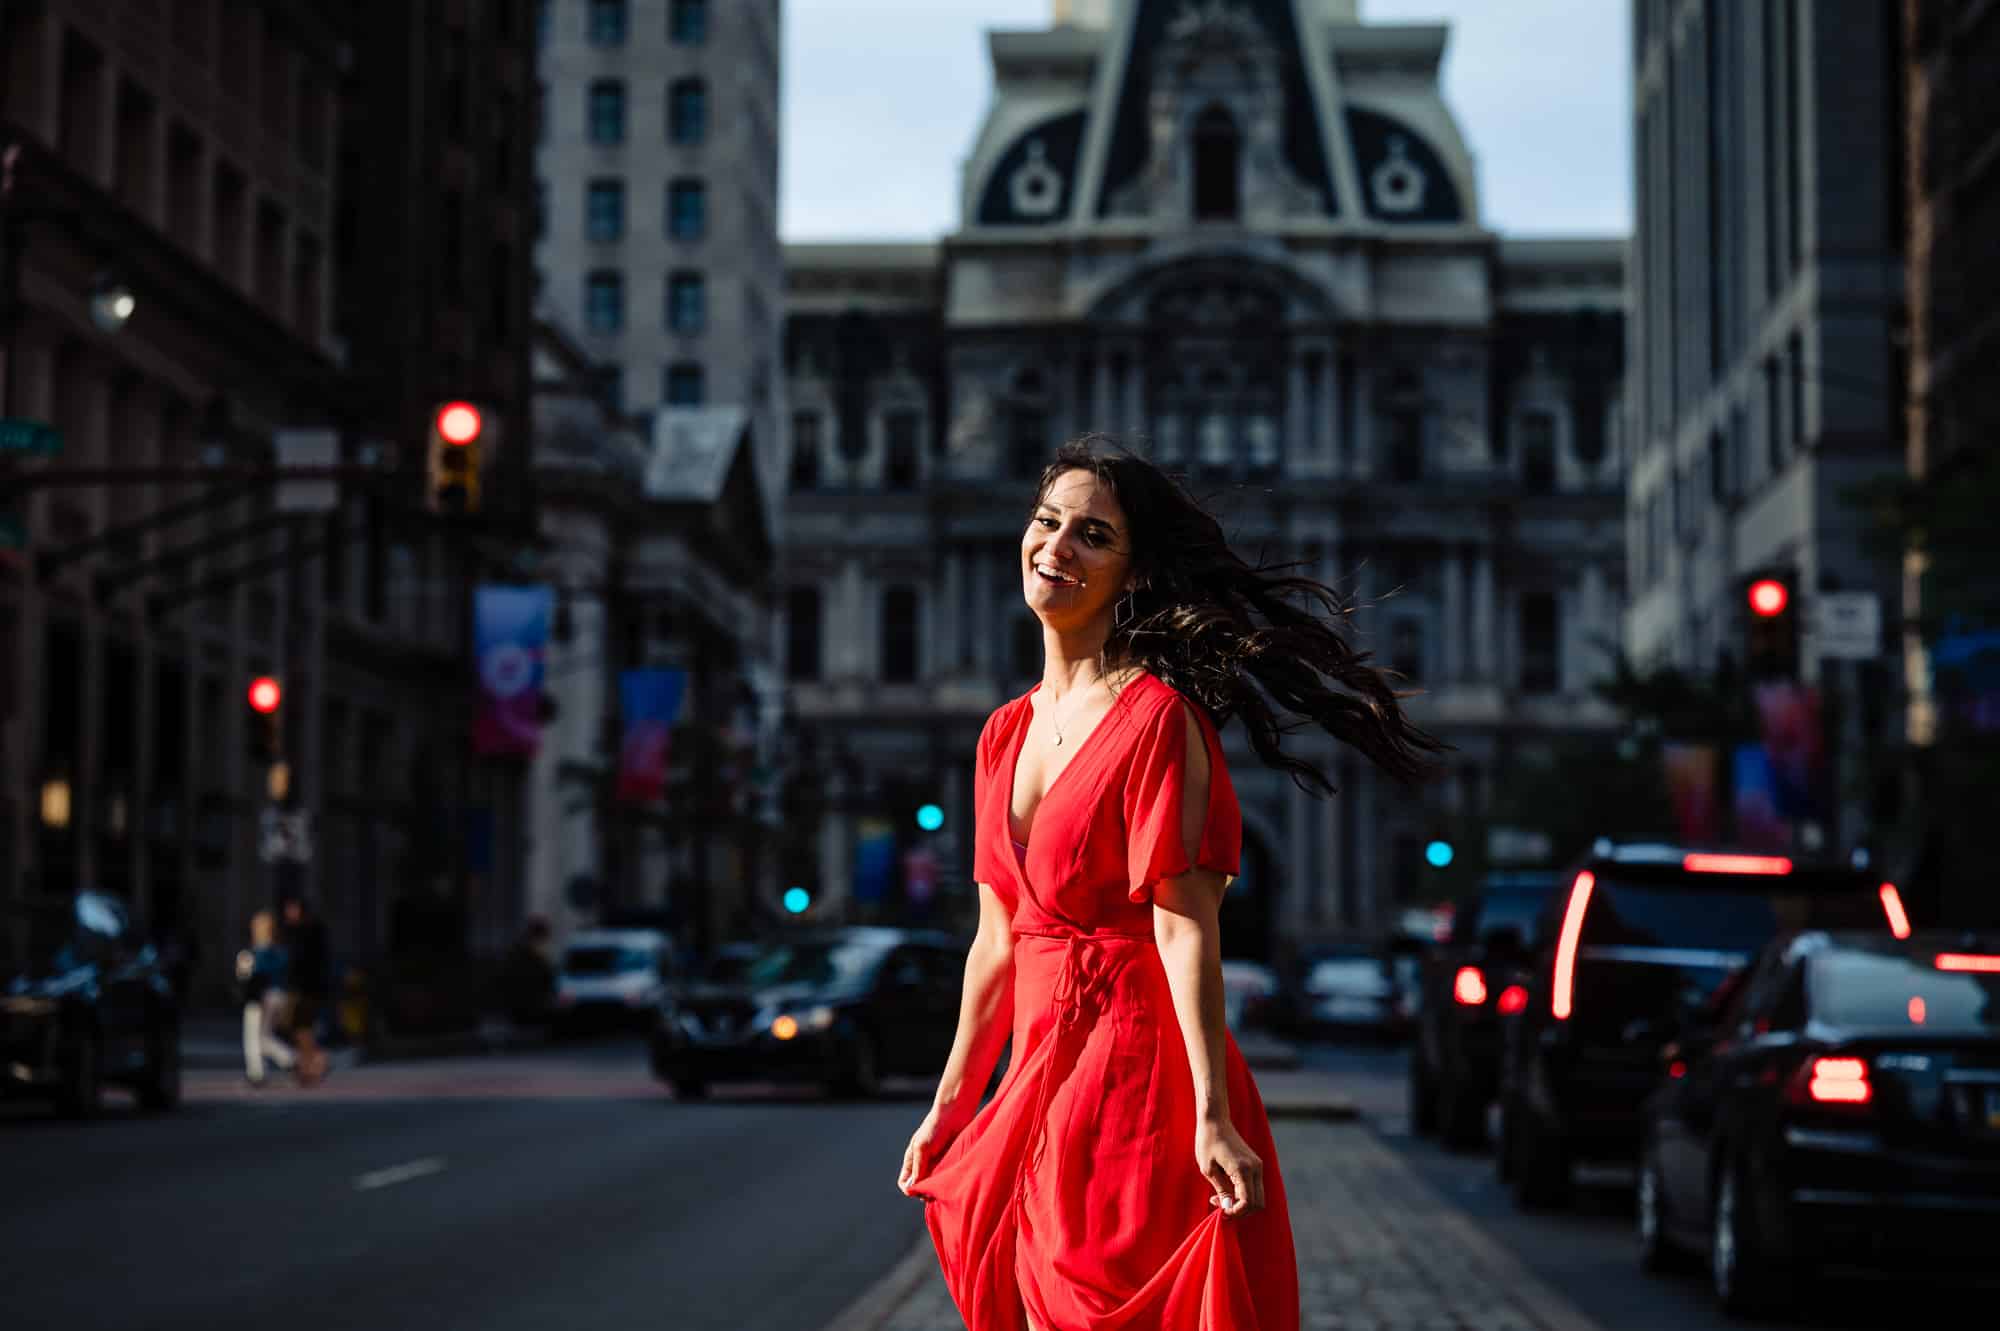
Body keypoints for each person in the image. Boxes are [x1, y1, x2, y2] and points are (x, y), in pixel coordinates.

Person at [897, 438, 1446, 1331]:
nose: (1057, 547)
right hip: (1036, 1073)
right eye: (1047, 522)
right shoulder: (1001, 733)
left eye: (1092, 536)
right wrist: (952, 1102)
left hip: (1135, 1072)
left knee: (1092, 1305)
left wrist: (1212, 1115)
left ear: (1132, 571)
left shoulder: (1159, 719)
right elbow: (996, 939)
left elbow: (1185, 929)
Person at [236, 910, 296, 1086]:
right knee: (265, 1035)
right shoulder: (281, 952)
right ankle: (287, 1060)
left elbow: (246, 976)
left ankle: (258, 1071)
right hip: (280, 995)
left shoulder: (252, 953)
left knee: (253, 1036)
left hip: (260, 997)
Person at [280, 896, 332, 1083]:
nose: (289, 913)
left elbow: (298, 960)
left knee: (300, 1027)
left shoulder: (305, 931)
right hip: (306, 986)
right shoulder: (305, 930)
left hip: (306, 987)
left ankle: (314, 1062)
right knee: (300, 1028)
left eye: (292, 908)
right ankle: (308, 1065)